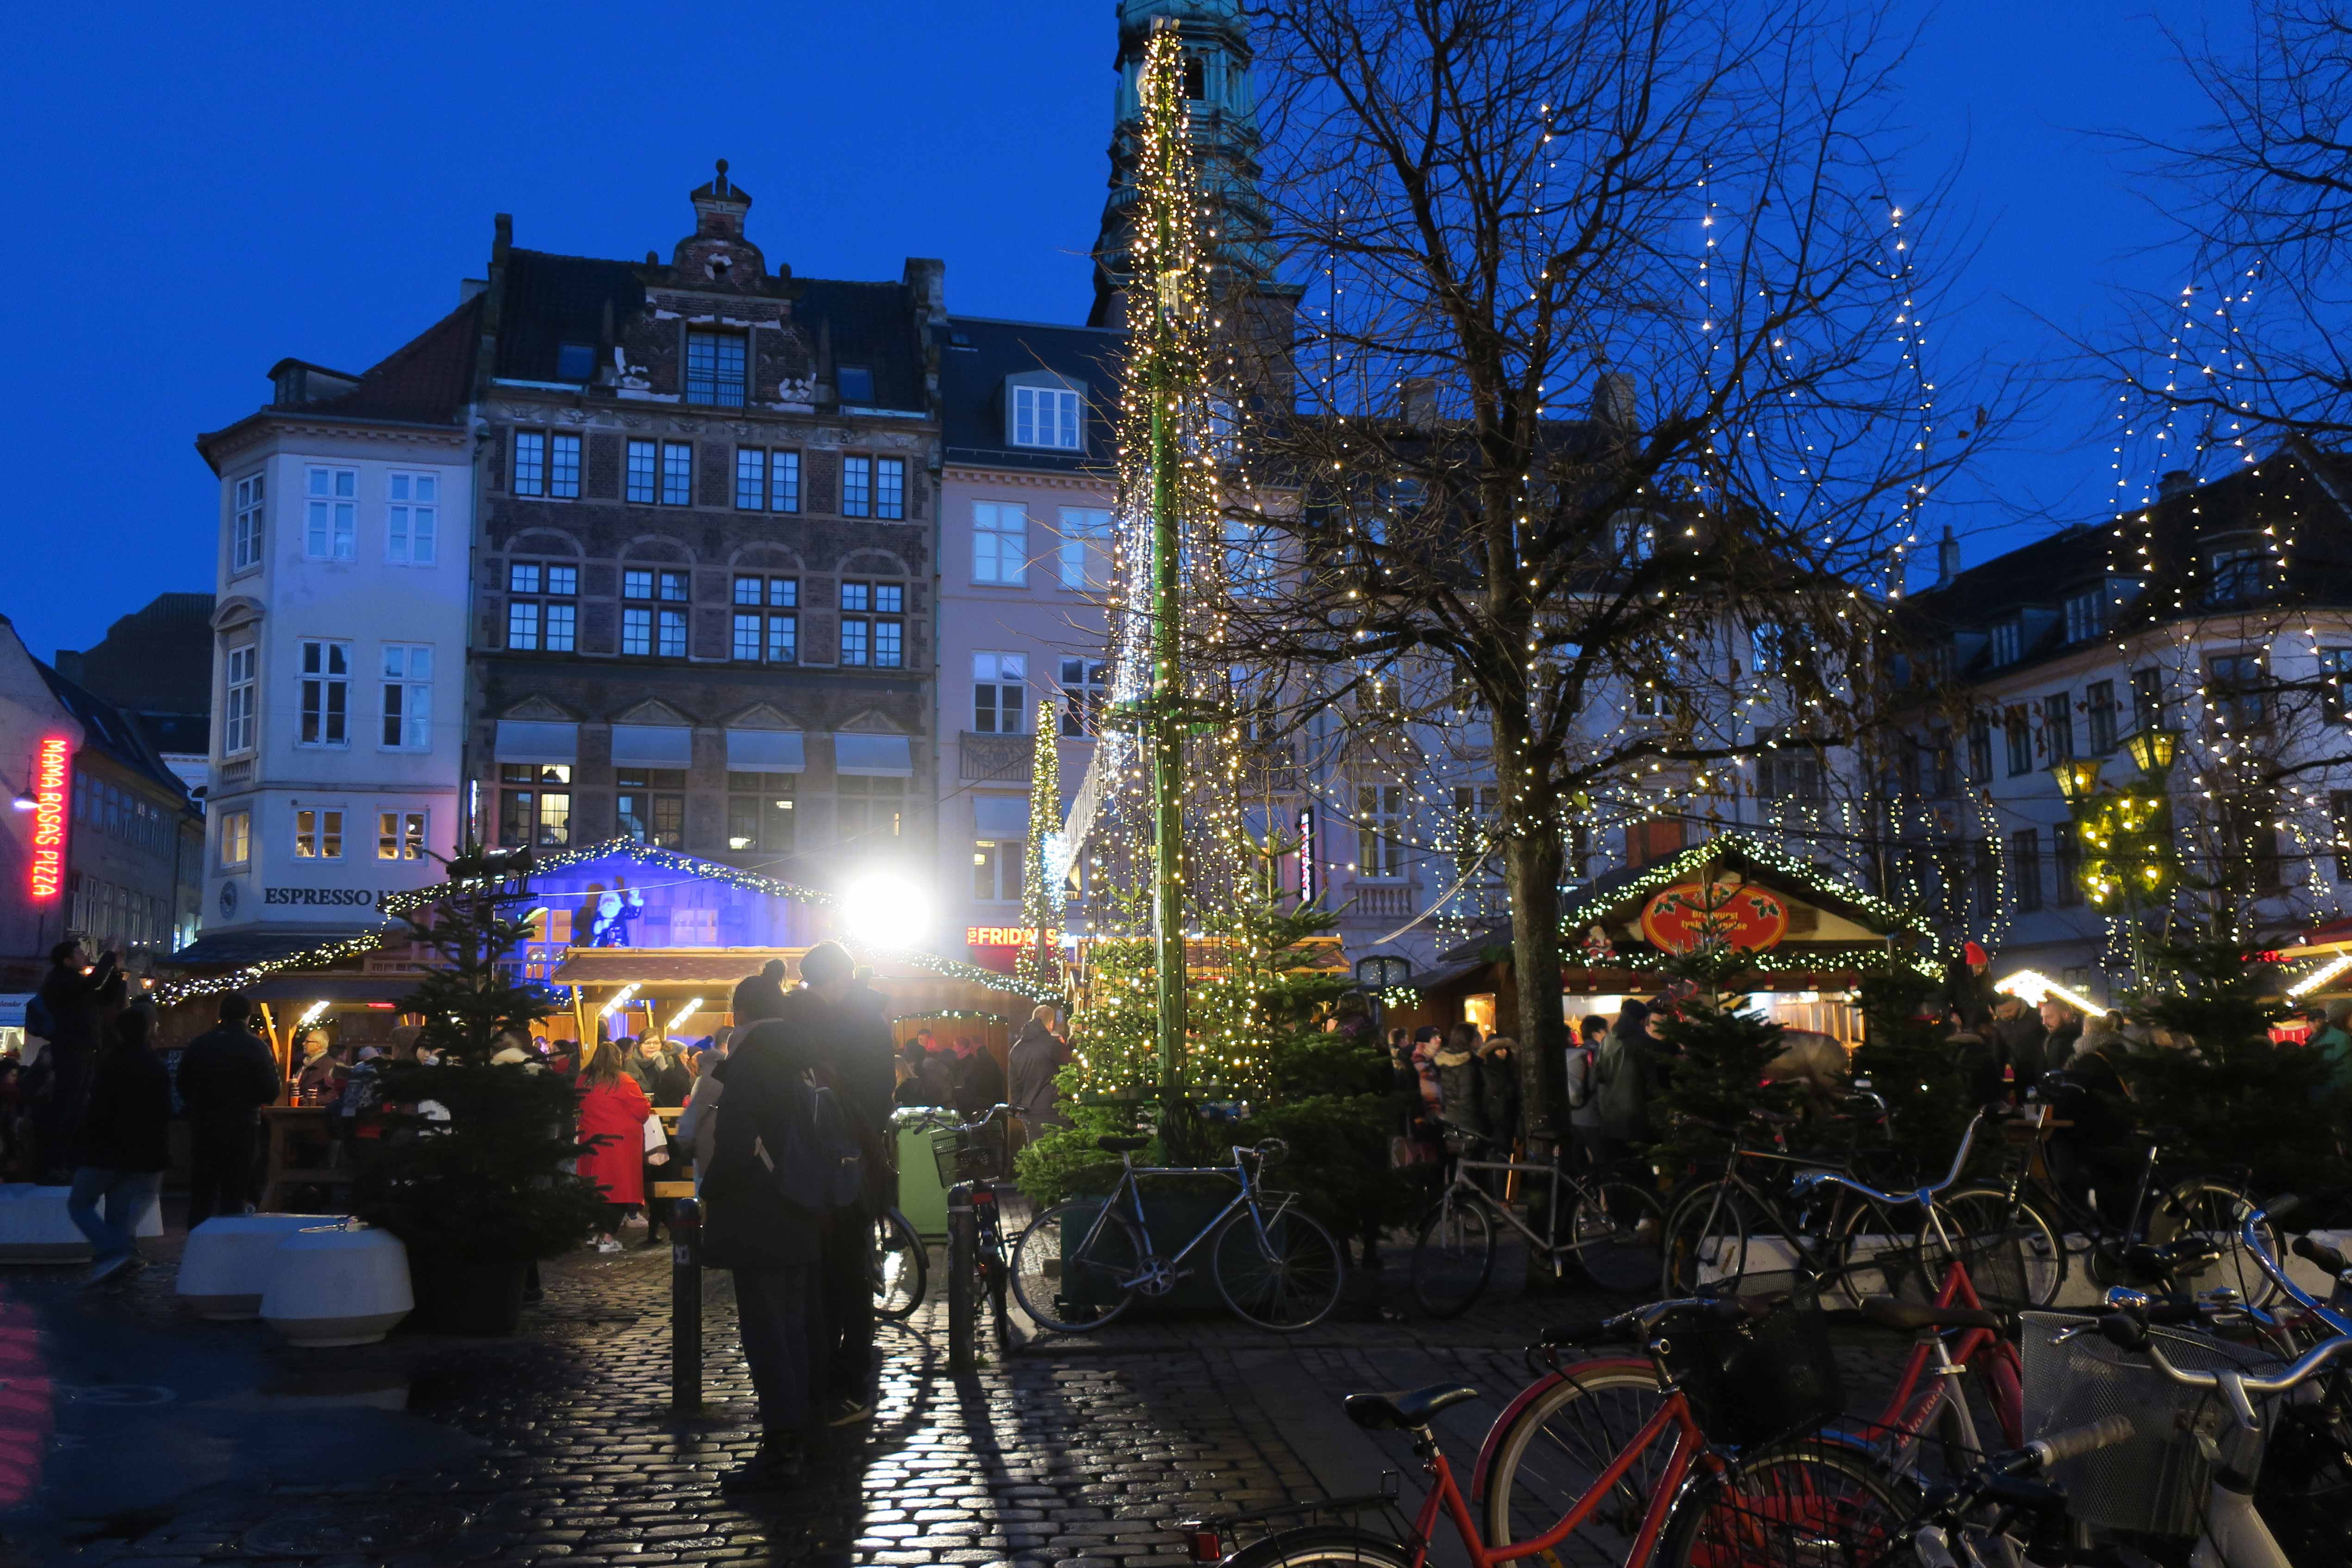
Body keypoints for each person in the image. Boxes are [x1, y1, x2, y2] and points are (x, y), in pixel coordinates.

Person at [700, 973, 823, 1488]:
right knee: (794, 1327)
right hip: (802, 1206)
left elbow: (732, 1146)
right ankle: (801, 1428)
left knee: (766, 1331)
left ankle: (783, 1444)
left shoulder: (750, 1063)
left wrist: (710, 1191)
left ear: (740, 1014)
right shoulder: (805, 1058)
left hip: (761, 1212)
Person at [67, 1006, 169, 1287]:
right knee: (120, 1210)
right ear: (149, 1030)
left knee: (80, 1203)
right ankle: (118, 1254)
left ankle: (113, 1252)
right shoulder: (155, 1065)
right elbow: (162, 1111)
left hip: (105, 1148)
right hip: (143, 1150)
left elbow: (97, 1107)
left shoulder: (110, 1063)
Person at [175, 993, 283, 1228]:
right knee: (235, 1190)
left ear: (221, 1015)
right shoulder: (257, 1047)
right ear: (247, 1016)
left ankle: (196, 1241)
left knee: (202, 1190)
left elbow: (182, 1083)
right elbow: (271, 1090)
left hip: (205, 1124)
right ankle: (228, 1242)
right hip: (243, 1124)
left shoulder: (200, 1044)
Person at [35, 939, 119, 1178]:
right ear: (67, 960)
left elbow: (100, 996)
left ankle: (64, 1161)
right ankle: (56, 1163)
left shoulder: (72, 982)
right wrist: (110, 956)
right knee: (68, 1105)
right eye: (79, 953)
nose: (84, 956)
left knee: (75, 1105)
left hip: (81, 1049)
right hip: (73, 1049)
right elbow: (94, 985)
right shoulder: (62, 981)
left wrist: (114, 973)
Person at [575, 1043, 652, 1253]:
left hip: (591, 1143)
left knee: (594, 1190)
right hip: (620, 1146)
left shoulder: (584, 1080)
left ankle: (593, 1234)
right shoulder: (624, 1081)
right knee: (618, 1192)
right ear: (618, 1060)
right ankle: (607, 1239)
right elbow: (642, 1110)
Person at [1591, 999, 1654, 1170]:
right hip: (1640, 1119)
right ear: (1642, 1020)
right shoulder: (1645, 1043)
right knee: (1640, 1170)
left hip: (1611, 1117)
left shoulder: (1607, 1042)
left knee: (1618, 1171)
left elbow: (1598, 1076)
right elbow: (1654, 1080)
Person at [1008, 1005, 1067, 1138]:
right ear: (1051, 1023)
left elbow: (1014, 1083)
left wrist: (1018, 1107)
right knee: (1058, 1153)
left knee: (1036, 1154)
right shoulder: (1053, 1045)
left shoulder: (1017, 1048)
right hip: (1054, 1109)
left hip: (1028, 1112)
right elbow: (1071, 1071)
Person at [1564, 1014, 1608, 1167]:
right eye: (1606, 1031)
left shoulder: (1576, 1054)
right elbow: (1599, 1085)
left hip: (1573, 1116)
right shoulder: (1600, 1053)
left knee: (1579, 1165)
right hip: (1593, 1117)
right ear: (1597, 1033)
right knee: (1604, 1164)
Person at [1984, 993, 2045, 1098]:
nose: (2006, 1015)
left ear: (2019, 1005)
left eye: (2009, 1011)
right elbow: (1998, 1052)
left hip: (2039, 1071)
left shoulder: (2036, 1017)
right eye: (2002, 1012)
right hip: (2017, 1073)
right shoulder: (1999, 1024)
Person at [2037, 999, 2083, 1083]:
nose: (2044, 1022)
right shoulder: (2050, 1038)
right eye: (2043, 1018)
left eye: (2049, 1017)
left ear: (2065, 1015)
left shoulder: (2082, 1039)